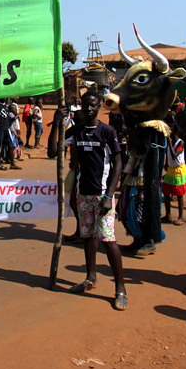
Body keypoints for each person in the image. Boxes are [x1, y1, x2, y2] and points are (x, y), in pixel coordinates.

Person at [63, 91, 127, 310]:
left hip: (102, 195)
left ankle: (120, 289)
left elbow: (117, 163)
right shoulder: (77, 131)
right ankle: (90, 277)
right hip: (83, 193)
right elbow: (55, 150)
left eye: (92, 105)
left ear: (100, 105)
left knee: (108, 240)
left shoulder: (107, 131)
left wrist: (110, 195)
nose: (88, 109)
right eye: (84, 105)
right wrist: (56, 124)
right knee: (88, 236)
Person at [162, 125, 186, 225]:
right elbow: (168, 154)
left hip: (179, 171)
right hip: (171, 170)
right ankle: (168, 215)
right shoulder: (170, 143)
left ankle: (180, 217)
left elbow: (174, 156)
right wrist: (166, 164)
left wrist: (169, 143)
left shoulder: (180, 143)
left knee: (179, 194)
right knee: (166, 192)